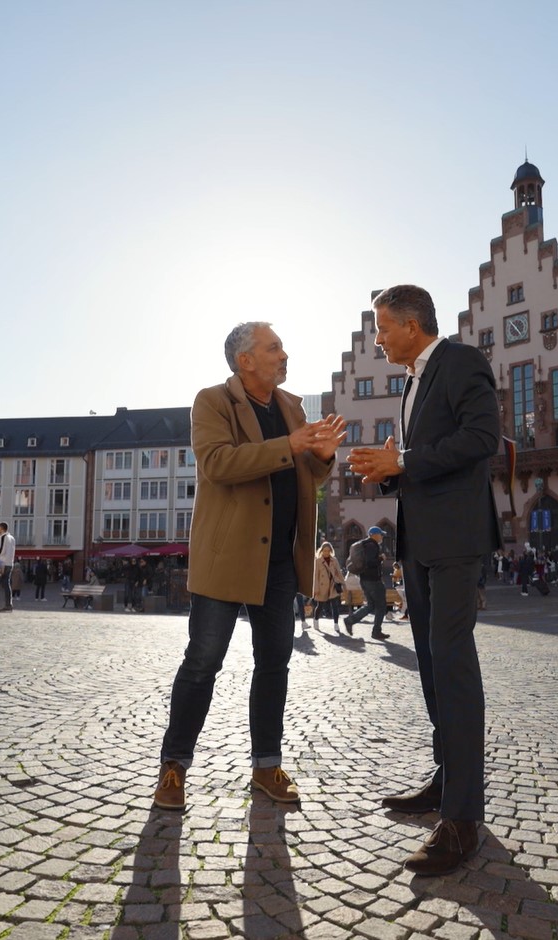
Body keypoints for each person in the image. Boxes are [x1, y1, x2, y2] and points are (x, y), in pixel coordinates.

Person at [153, 322, 342, 812]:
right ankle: (173, 767)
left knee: (275, 664)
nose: (284, 354)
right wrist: (294, 446)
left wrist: (321, 458)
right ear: (246, 361)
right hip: (227, 557)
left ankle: (266, 767)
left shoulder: (292, 407)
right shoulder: (212, 401)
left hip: (280, 558)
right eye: (274, 347)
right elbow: (218, 463)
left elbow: (305, 473)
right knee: (203, 662)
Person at [347, 283, 500, 877]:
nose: (378, 338)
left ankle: (464, 818)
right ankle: (446, 780)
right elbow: (427, 458)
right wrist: (387, 472)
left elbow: (481, 439)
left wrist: (405, 461)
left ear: (412, 324)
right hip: (421, 543)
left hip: (457, 541)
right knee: (434, 667)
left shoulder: (461, 361)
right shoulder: (411, 382)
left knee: (454, 663)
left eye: (382, 327)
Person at [342, 528, 389, 639]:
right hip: (373, 581)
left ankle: (350, 620)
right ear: (374, 535)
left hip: (364, 580)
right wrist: (381, 558)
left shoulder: (365, 545)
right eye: (380, 534)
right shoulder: (372, 545)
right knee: (381, 606)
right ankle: (376, 631)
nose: (382, 536)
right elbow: (370, 562)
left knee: (371, 605)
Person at [309, 542, 344, 629]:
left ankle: (336, 624)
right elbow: (315, 576)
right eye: (325, 551)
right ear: (321, 551)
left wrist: (342, 583)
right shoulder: (317, 561)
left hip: (333, 585)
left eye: (328, 551)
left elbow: (339, 572)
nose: (326, 553)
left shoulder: (334, 560)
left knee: (335, 605)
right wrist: (316, 588)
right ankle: (316, 620)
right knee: (320, 606)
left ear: (331, 551)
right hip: (322, 586)